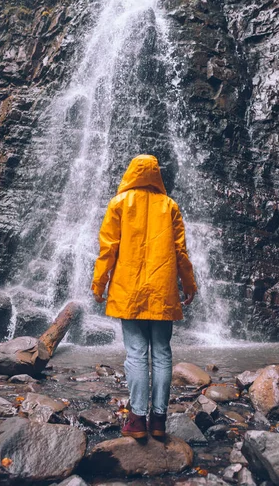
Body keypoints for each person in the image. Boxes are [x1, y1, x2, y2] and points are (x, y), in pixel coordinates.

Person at [91, 154, 197, 439]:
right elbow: (180, 252)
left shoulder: (119, 204)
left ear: (131, 173)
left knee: (137, 353)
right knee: (162, 354)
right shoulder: (170, 205)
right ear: (156, 175)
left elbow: (108, 248)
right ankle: (159, 420)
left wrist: (99, 283)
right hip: (163, 290)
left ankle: (137, 420)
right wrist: (189, 284)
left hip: (129, 291)